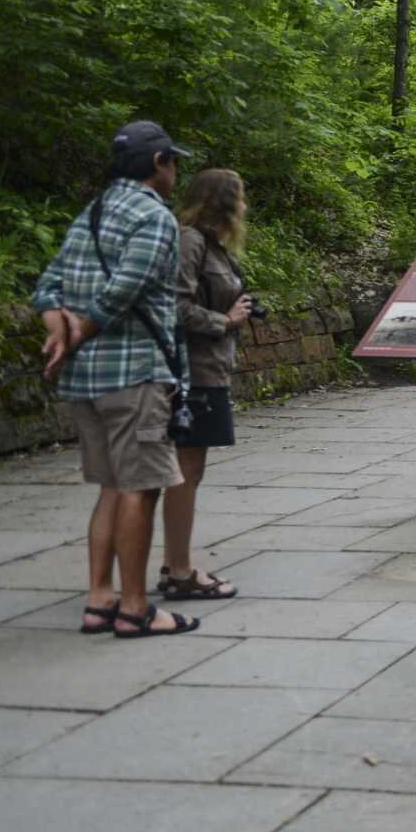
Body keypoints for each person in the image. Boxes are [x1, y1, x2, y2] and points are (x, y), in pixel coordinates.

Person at [32, 120, 202, 639]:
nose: (176, 172)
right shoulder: (154, 217)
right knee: (140, 488)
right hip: (134, 374)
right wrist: (79, 329)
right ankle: (135, 609)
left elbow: (48, 285)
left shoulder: (95, 210)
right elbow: (129, 285)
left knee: (110, 487)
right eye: (174, 162)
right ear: (158, 164)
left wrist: (59, 330)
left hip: (86, 380)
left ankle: (99, 599)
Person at [161, 168, 255, 601]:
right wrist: (224, 320)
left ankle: (176, 563)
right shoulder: (191, 241)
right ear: (224, 202)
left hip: (212, 370)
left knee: (192, 470)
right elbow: (174, 307)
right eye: (240, 198)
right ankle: (179, 571)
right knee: (185, 470)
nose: (245, 206)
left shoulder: (216, 247)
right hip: (192, 372)